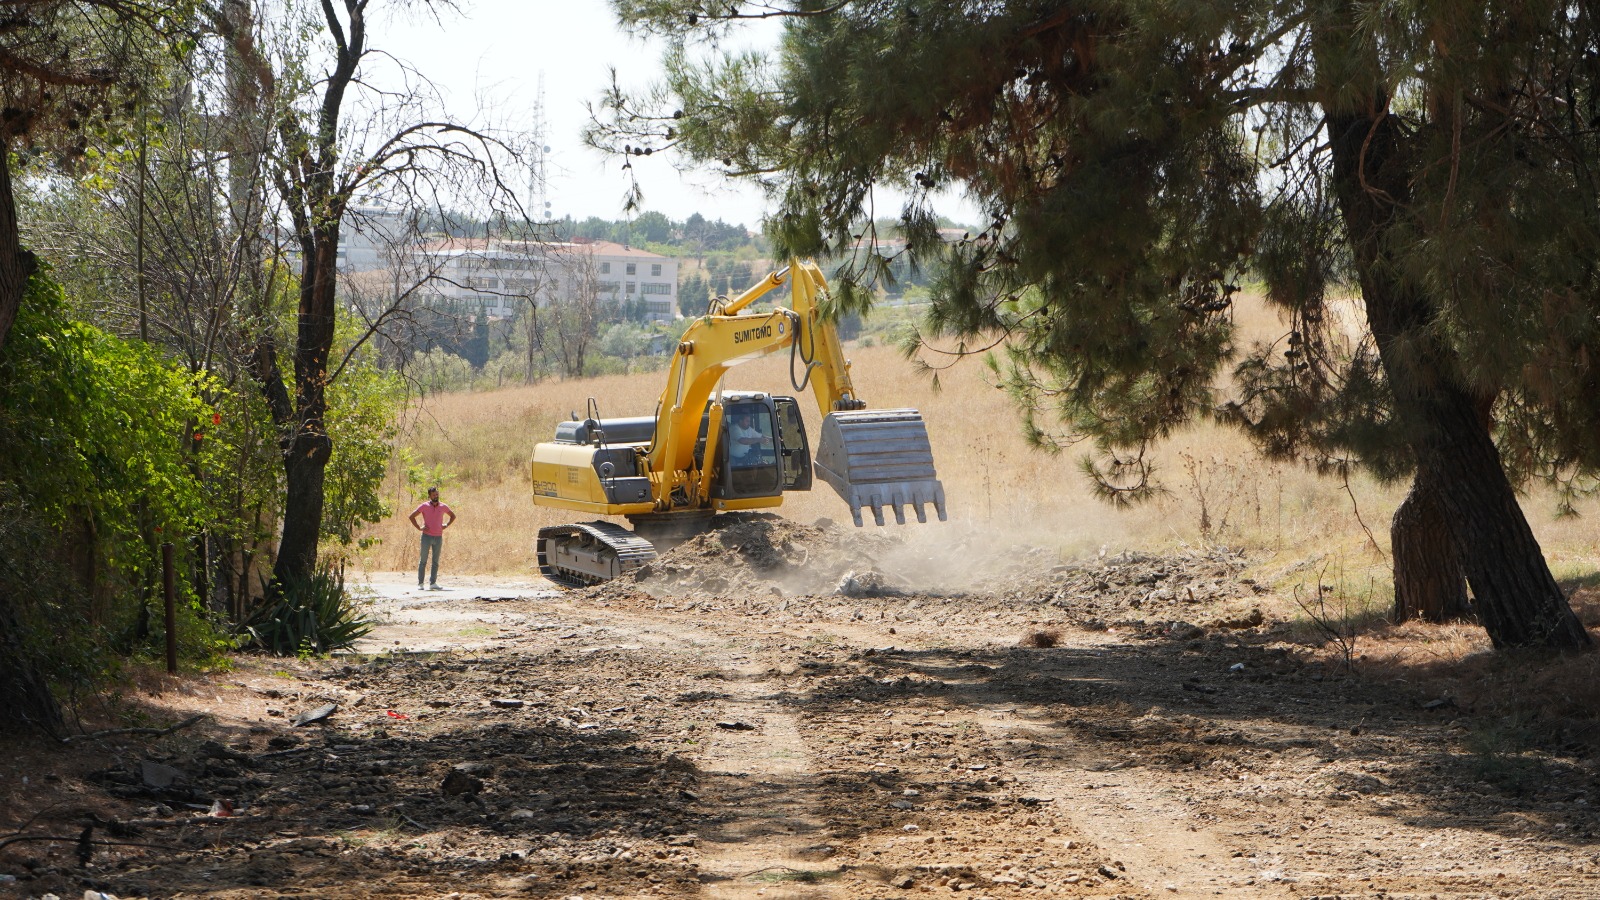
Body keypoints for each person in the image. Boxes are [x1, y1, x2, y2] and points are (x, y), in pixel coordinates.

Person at [408, 487, 456, 590]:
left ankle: (433, 583)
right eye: (434, 495)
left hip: (438, 536)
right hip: (426, 536)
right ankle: (420, 584)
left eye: (437, 494)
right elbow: (411, 516)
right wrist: (419, 528)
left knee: (435, 561)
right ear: (429, 495)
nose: (436, 496)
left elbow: (453, 516)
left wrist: (446, 525)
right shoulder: (424, 506)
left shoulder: (443, 506)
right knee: (423, 560)